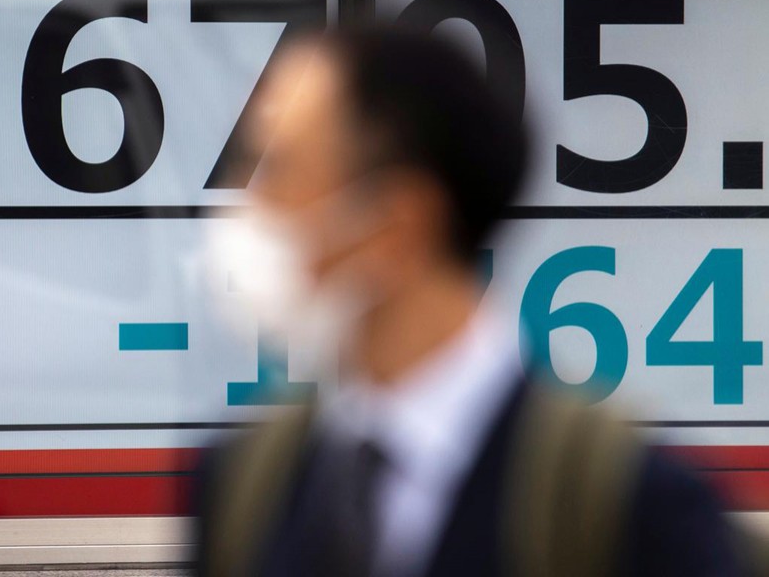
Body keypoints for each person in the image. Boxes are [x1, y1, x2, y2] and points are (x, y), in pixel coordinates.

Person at [195, 28, 745, 577]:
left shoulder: (632, 507)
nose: (246, 204)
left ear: (397, 222)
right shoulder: (244, 486)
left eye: (277, 170)